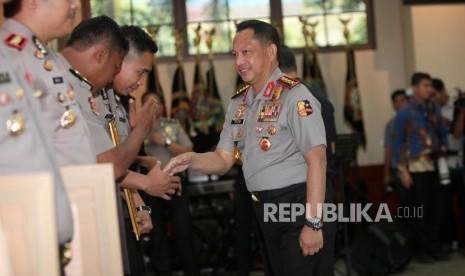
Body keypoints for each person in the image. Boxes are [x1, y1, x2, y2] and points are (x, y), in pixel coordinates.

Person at [164, 20, 335, 275]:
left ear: (270, 52)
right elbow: (223, 159)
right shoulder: (239, 103)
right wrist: (190, 159)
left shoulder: (295, 96)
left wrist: (313, 222)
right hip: (264, 209)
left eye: (247, 52)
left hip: (298, 205)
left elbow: (318, 161)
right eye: (235, 54)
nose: (239, 61)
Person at [1, 0, 96, 269]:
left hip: (62, 214)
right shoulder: (13, 52)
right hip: (31, 227)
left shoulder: (43, 55)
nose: (76, 5)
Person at [392, 72, 449, 263]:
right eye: (426, 85)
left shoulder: (434, 108)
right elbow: (398, 142)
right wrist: (403, 170)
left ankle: (434, 246)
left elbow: (442, 133)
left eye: (431, 85)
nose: (430, 89)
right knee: (420, 210)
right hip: (416, 167)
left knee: (437, 209)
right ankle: (422, 249)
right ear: (415, 88)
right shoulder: (405, 112)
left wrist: (443, 149)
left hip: (436, 164)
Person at [141, 92, 198, 276]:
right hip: (149, 185)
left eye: (156, 102)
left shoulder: (171, 125)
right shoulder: (137, 128)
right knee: (156, 231)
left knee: (182, 229)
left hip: (174, 183)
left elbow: (189, 149)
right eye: (148, 103)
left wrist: (165, 142)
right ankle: (162, 271)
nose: (153, 106)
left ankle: (190, 270)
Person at [383, 90, 409, 204]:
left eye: (402, 100)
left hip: (415, 167)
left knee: (419, 201)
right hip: (397, 167)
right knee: (404, 200)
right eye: (396, 101)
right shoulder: (391, 125)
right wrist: (386, 172)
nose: (399, 104)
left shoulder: (416, 120)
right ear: (393, 104)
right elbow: (388, 148)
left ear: (408, 101)